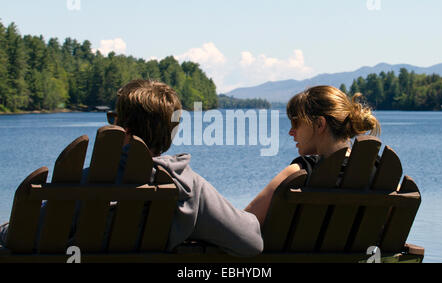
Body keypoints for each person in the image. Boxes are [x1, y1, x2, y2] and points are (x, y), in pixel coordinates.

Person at [0, 80, 263, 257]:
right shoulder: (189, 187)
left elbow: (19, 237)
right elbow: (251, 243)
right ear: (171, 133)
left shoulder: (85, 184)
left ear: (121, 129)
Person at [244, 85, 381, 226]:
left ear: (320, 124)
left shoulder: (300, 172)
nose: (291, 131)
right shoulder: (381, 171)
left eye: (295, 122)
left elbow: (246, 223)